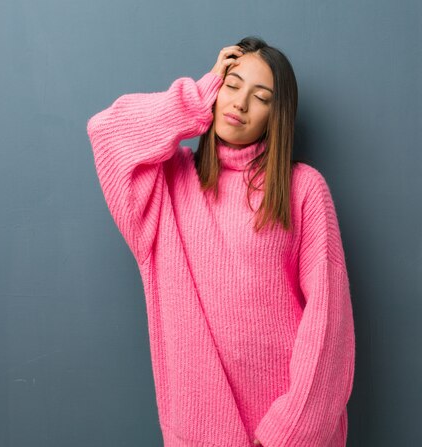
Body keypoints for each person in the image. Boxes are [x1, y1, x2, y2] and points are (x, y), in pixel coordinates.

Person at [86, 36, 356, 447]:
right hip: (199, 431)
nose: (240, 104)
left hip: (291, 430)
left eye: (260, 96)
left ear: (276, 115)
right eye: (232, 85)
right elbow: (107, 132)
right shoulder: (168, 184)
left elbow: (329, 323)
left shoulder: (303, 188)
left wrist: (290, 432)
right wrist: (197, 94)